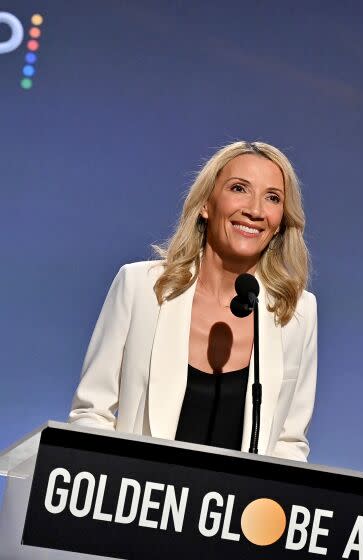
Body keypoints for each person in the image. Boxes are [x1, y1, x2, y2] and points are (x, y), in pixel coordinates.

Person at [68, 141, 317, 461]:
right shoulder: (141, 288)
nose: (255, 210)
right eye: (239, 188)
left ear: (281, 220)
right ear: (206, 205)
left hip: (238, 507)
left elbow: (289, 443)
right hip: (138, 500)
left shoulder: (296, 312)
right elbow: (92, 414)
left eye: (272, 198)